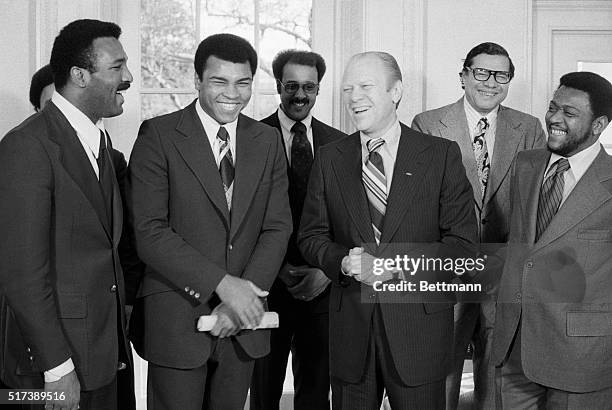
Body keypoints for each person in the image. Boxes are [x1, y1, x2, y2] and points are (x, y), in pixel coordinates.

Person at [298, 51, 477, 409]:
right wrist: (343, 262)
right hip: (351, 332)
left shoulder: (441, 155)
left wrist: (387, 262)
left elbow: (462, 248)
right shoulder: (331, 158)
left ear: (396, 92)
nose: (353, 97)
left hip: (419, 334)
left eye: (365, 86)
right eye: (348, 88)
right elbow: (310, 237)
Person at [127, 33, 292, 410]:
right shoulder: (159, 135)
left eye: (243, 82)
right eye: (219, 81)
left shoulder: (266, 141)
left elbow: (277, 227)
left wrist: (242, 298)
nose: (232, 93)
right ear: (197, 80)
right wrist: (223, 286)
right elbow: (150, 233)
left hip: (244, 322)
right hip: (178, 319)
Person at [0, 19, 135, 410]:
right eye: (116, 67)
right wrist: (57, 369)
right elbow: (22, 276)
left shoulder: (99, 142)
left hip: (103, 355)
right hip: (58, 365)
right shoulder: (27, 147)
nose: (127, 77)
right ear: (79, 75)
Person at [411, 42, 546, 409]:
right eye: (481, 72)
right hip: (448, 266)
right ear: (464, 76)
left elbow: (533, 201)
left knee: (496, 369)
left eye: (501, 74)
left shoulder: (529, 128)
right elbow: (420, 204)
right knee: (442, 366)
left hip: (503, 269)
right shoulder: (428, 123)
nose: (491, 82)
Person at [494, 71, 612, 408]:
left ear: (599, 125)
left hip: (582, 356)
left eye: (570, 114)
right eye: (552, 107)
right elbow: (519, 247)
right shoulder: (526, 164)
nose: (554, 120)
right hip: (515, 344)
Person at [250, 50, 346, 410]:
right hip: (265, 285)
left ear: (319, 89)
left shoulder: (340, 143)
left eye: (309, 86)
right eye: (292, 86)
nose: (300, 95)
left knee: (316, 393)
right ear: (278, 87)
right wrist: (273, 268)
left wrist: (326, 270)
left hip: (322, 288)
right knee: (263, 390)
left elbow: (346, 217)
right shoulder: (252, 137)